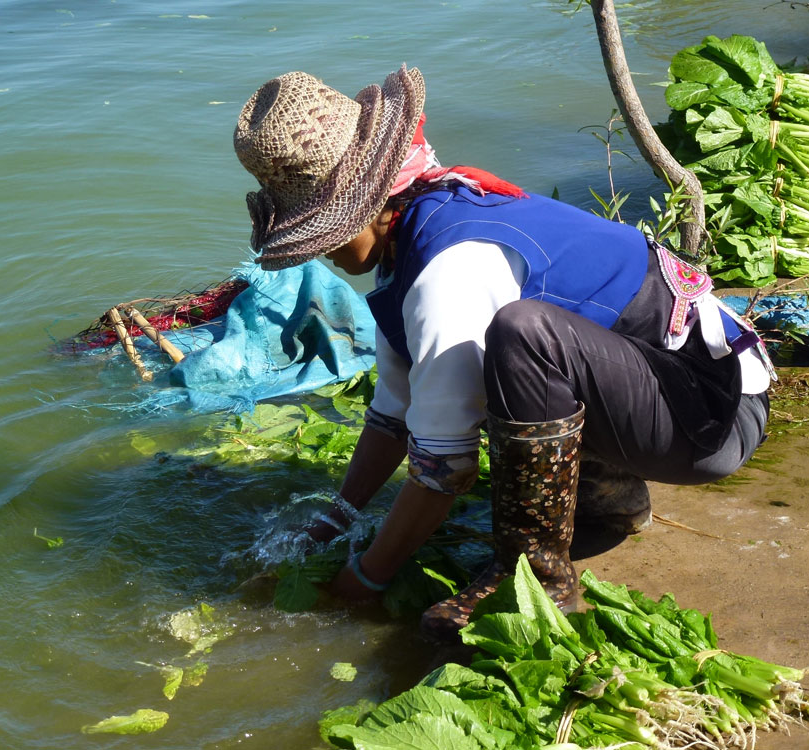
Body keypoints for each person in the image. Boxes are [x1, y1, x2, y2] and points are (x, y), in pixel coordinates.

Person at [232, 65, 773, 642]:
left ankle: (541, 580)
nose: (324, 254)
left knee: (524, 338)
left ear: (368, 203)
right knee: (486, 371)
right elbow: (397, 409)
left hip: (712, 415)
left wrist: (360, 583)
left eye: (323, 233)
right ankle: (606, 495)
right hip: (660, 388)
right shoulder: (426, 223)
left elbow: (445, 468)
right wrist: (337, 517)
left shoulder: (449, 270)